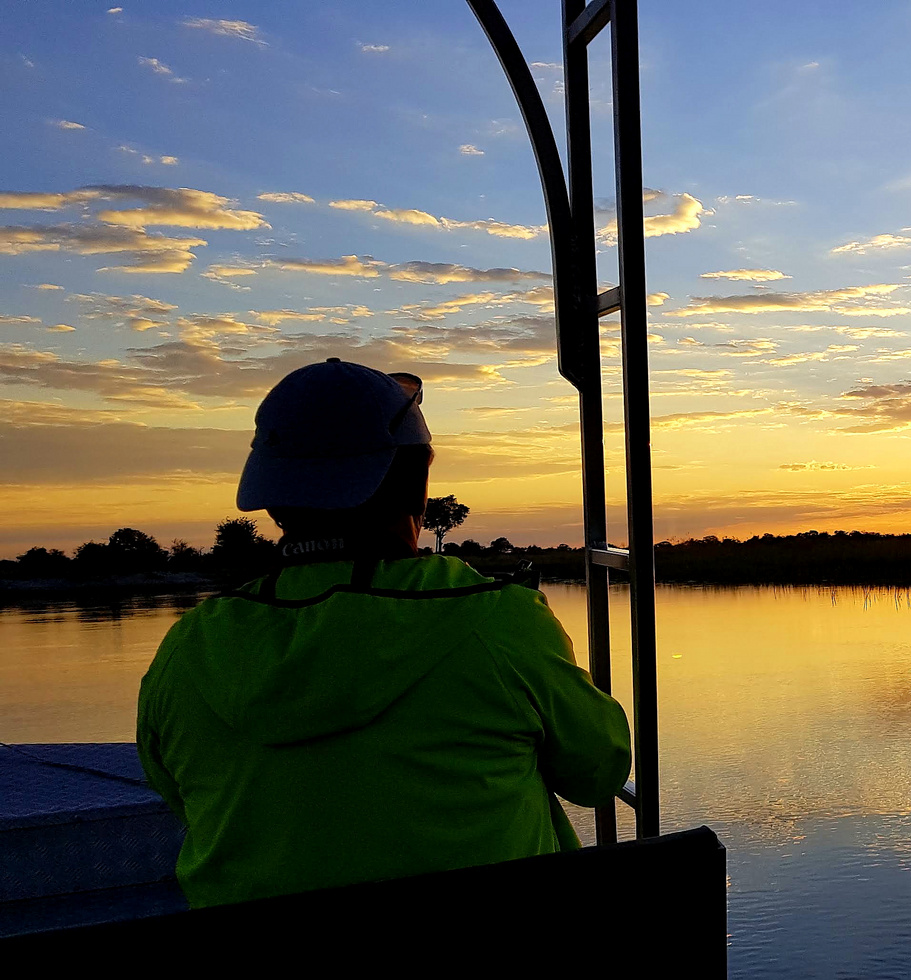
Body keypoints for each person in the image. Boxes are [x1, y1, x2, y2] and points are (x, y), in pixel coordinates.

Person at [137, 358, 631, 907]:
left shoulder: (188, 647)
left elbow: (180, 795)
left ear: (273, 493)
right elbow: (599, 772)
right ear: (415, 485)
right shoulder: (498, 621)